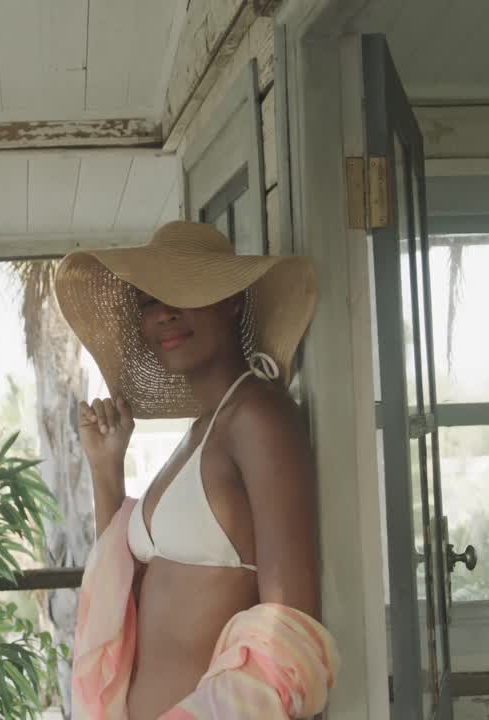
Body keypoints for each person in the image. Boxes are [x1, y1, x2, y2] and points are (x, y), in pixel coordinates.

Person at [53, 220, 339, 720]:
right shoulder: (200, 433)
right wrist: (106, 471)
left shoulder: (260, 418)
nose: (164, 313)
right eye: (148, 301)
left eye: (184, 292)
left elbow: (290, 634)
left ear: (233, 300)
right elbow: (124, 594)